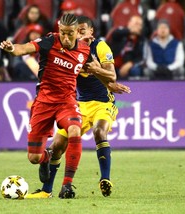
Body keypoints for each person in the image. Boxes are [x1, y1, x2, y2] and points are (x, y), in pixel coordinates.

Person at [0, 13, 116, 198]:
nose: (66, 38)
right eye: (62, 33)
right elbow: (24, 48)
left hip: (67, 102)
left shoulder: (85, 50)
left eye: (70, 33)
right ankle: (46, 158)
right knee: (34, 158)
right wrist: (12, 47)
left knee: (75, 130)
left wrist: (107, 80)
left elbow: (104, 75)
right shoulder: (50, 41)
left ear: (77, 32)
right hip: (43, 103)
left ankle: (67, 186)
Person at [26, 16, 131, 199]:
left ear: (91, 32)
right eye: (77, 31)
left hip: (102, 103)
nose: (79, 34)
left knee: (99, 132)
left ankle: (105, 179)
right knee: (57, 146)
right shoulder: (68, 49)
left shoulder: (100, 47)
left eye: (83, 31)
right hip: (79, 103)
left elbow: (111, 75)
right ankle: (46, 190)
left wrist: (100, 74)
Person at [108, 15, 145, 79]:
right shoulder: (121, 33)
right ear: (129, 23)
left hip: (127, 66)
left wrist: (130, 64)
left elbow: (140, 57)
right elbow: (115, 34)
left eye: (140, 24)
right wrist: (129, 31)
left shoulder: (141, 40)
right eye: (136, 23)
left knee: (136, 70)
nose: (137, 26)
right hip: (112, 64)